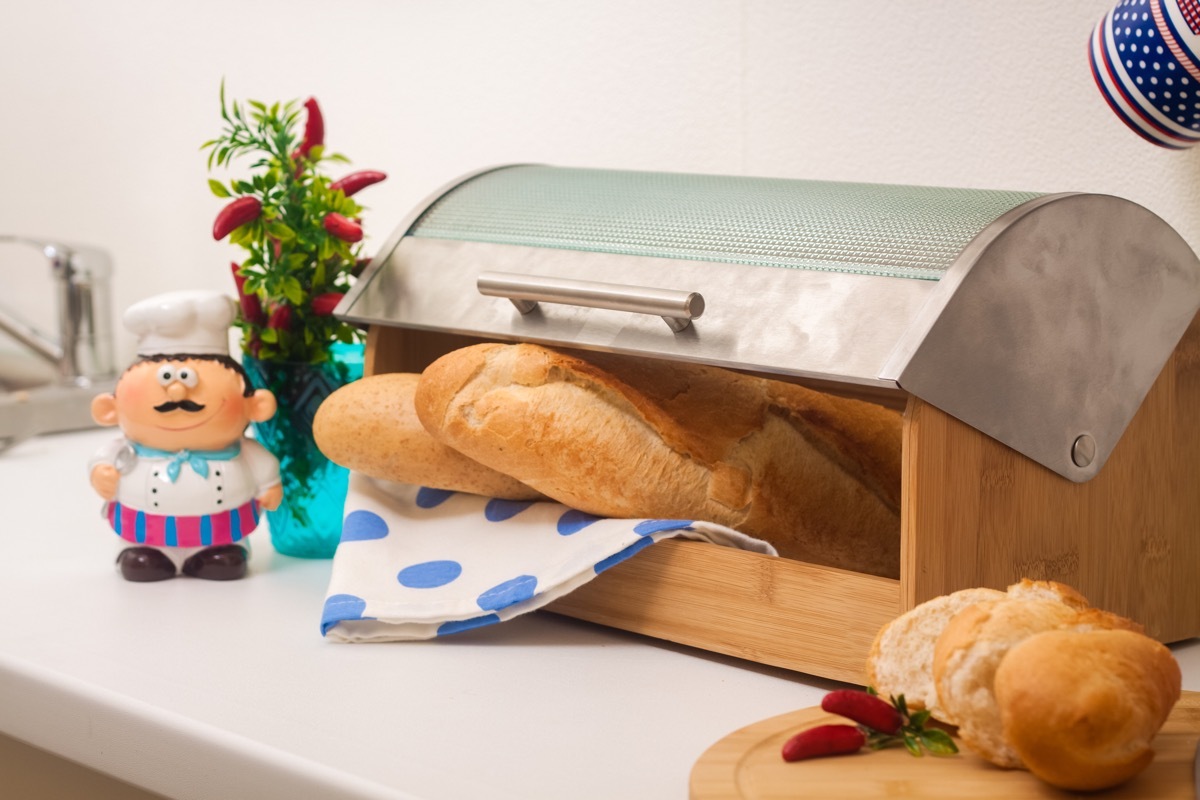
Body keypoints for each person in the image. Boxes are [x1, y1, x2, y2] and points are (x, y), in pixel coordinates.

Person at [88, 290, 282, 581]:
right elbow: (102, 460)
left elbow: (266, 469)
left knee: (223, 560)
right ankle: (146, 552)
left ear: (255, 406)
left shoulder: (243, 452)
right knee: (143, 561)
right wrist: (101, 472)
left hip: (219, 531)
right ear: (109, 409)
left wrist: (270, 486)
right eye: (165, 381)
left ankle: (218, 551)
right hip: (145, 531)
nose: (177, 392)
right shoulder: (127, 450)